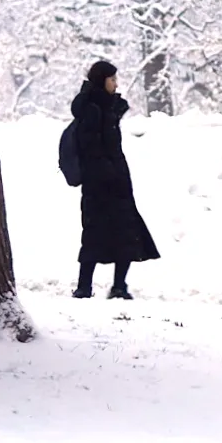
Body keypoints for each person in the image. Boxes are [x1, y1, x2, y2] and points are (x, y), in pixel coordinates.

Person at [70, 59, 160, 298]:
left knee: (126, 232)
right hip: (99, 184)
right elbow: (90, 147)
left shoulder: (106, 108)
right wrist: (106, 171)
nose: (116, 84)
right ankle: (84, 287)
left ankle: (119, 286)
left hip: (117, 181)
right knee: (94, 233)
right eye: (112, 79)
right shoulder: (92, 110)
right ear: (102, 81)